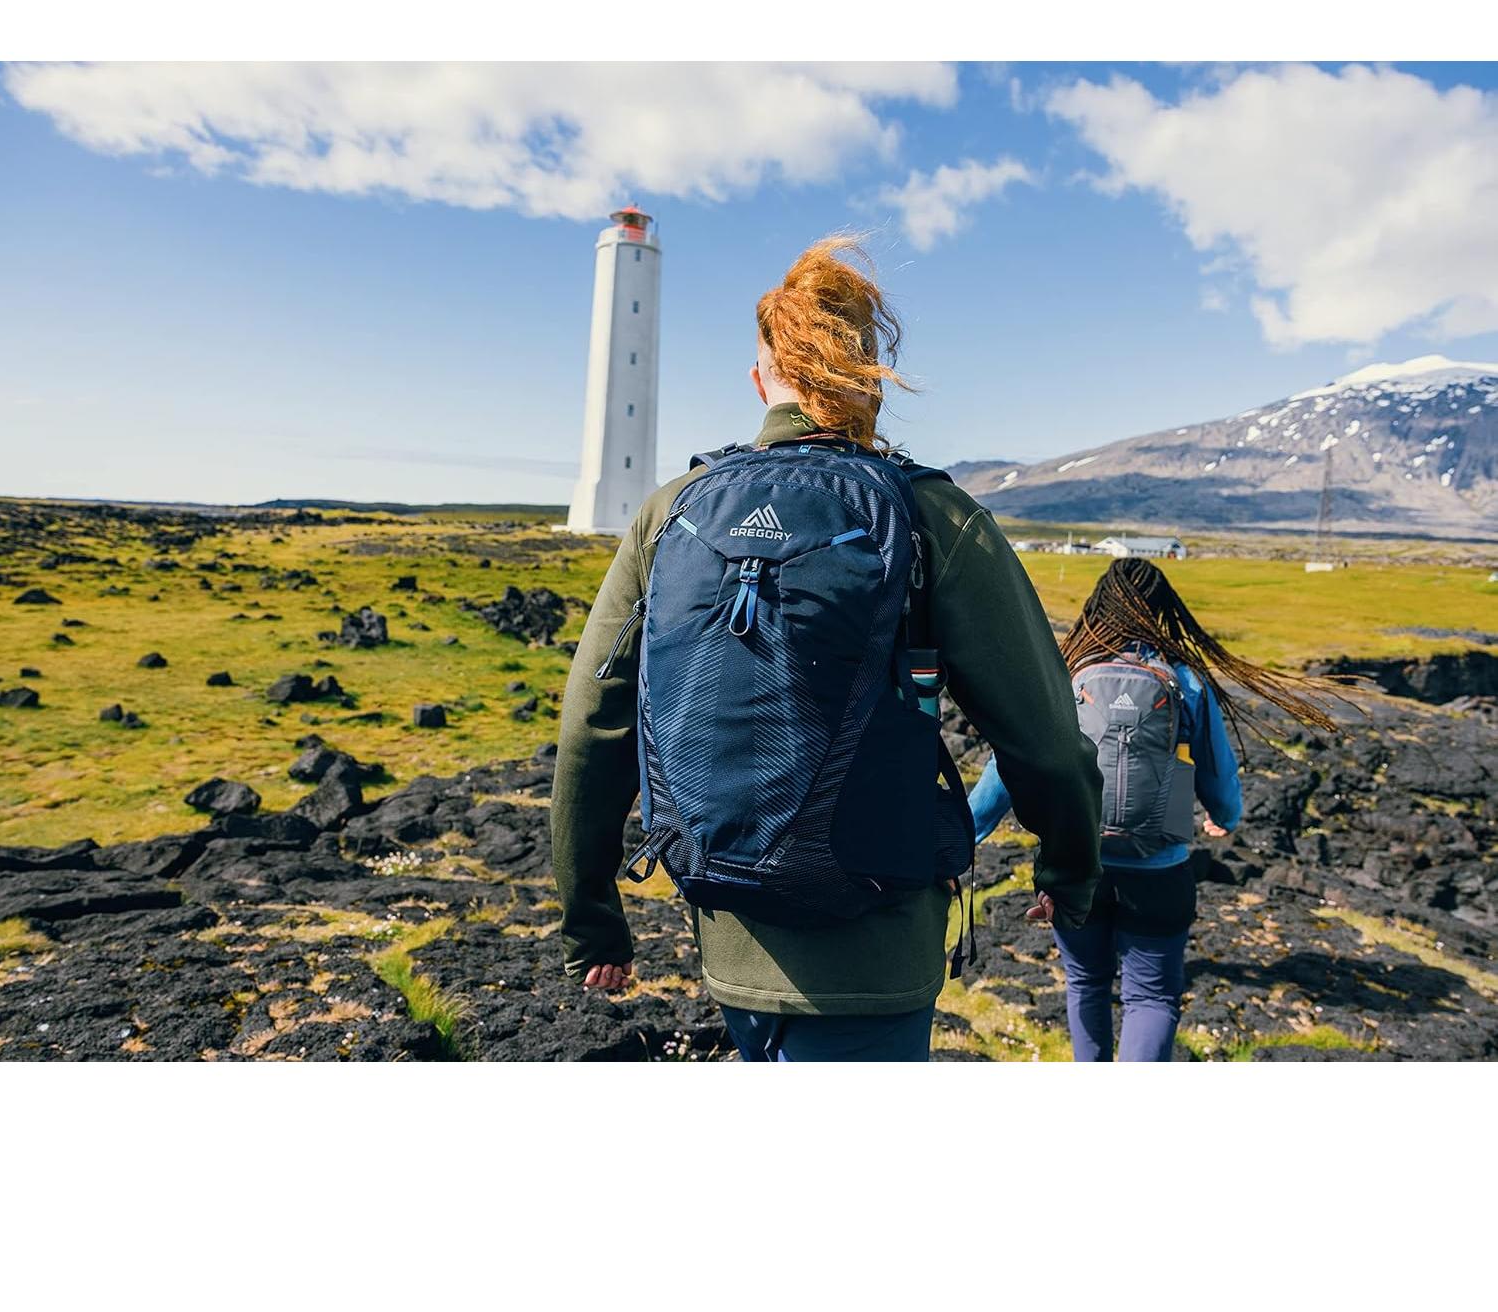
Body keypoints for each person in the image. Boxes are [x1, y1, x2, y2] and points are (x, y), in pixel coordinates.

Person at [550, 235, 1103, 1062]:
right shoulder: (933, 516)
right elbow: (1048, 738)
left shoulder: (673, 511)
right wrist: (1071, 872)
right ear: (868, 381)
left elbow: (591, 728)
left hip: (728, 936)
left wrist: (592, 914)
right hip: (877, 947)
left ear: (761, 380)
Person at [969, 556, 1339, 1062]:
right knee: (1151, 997)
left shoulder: (1066, 674)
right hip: (1160, 868)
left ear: (1097, 609)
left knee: (1085, 983)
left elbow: (1008, 763)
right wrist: (1224, 818)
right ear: (1161, 612)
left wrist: (967, 833)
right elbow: (1218, 773)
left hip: (1078, 862)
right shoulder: (1184, 682)